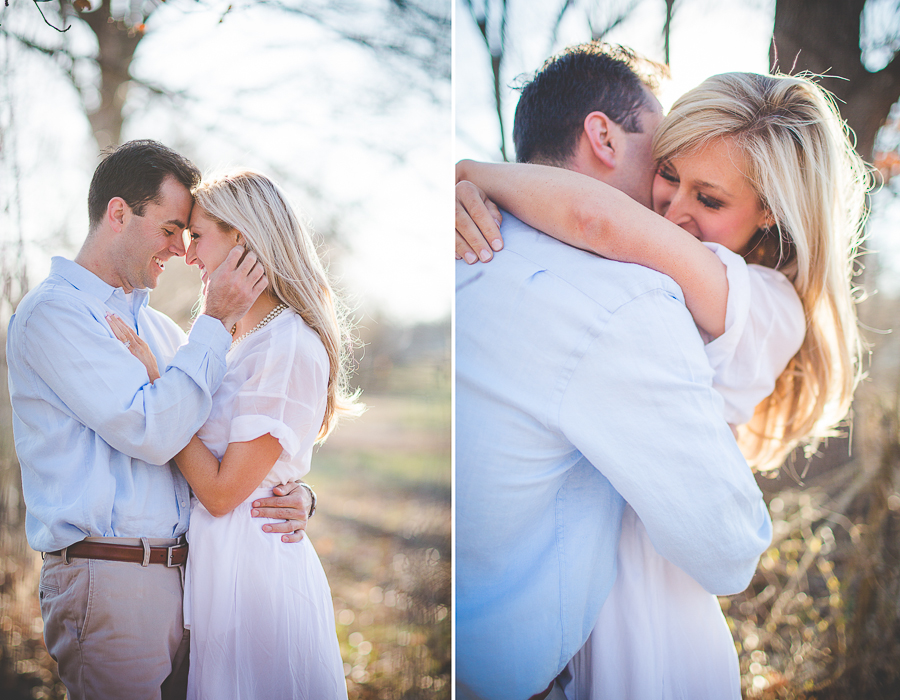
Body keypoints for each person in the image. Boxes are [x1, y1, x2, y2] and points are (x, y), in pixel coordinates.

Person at [456, 71, 870, 699]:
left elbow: (598, 222)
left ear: (768, 212)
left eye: (710, 199)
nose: (674, 212)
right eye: (668, 175)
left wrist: (471, 173)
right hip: (589, 561)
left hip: (653, 590)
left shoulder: (768, 304)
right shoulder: (651, 270)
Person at [7, 140, 314, 700]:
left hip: (193, 583)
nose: (179, 249)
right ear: (118, 213)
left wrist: (292, 493)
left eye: (188, 234)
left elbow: (228, 440)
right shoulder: (55, 313)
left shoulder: (163, 332)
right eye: (171, 229)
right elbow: (153, 432)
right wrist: (215, 321)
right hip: (111, 581)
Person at [111, 169, 359, 699]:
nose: (188, 254)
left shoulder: (288, 343)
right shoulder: (238, 339)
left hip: (255, 580)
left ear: (241, 238)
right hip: (217, 575)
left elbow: (224, 492)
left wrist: (160, 391)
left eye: (198, 236)